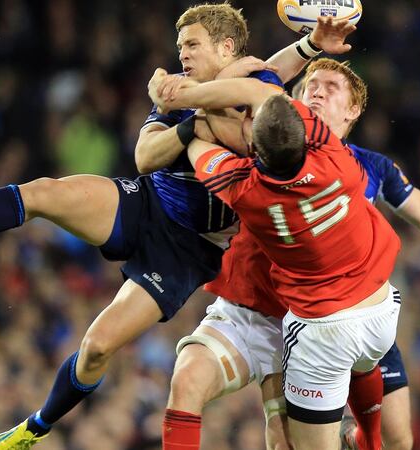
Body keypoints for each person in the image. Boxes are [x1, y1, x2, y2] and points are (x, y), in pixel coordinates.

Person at [0, 4, 354, 449]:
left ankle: (35, 427)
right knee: (44, 191)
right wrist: (194, 124)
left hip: (188, 251)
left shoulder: (252, 85)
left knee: (97, 347)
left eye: (193, 45)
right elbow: (146, 157)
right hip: (145, 203)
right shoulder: (179, 91)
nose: (182, 55)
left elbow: (249, 138)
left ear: (227, 49)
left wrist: (195, 109)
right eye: (180, 46)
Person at [157, 58, 420, 450]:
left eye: (330, 87)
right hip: (271, 310)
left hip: (336, 311)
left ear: (354, 110)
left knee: (398, 440)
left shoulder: (264, 172)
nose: (315, 90)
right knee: (281, 436)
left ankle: (363, 436)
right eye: (309, 85)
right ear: (294, 103)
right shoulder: (283, 148)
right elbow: (260, 98)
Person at [150, 70, 403, 450]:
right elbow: (259, 92)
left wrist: (182, 105)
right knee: (188, 380)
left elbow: (200, 148)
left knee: (292, 443)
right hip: (376, 308)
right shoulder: (340, 160)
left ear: (254, 148)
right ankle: (370, 438)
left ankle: (370, 438)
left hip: (320, 326)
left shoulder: (244, 188)